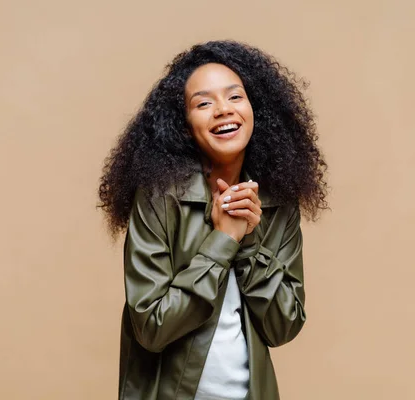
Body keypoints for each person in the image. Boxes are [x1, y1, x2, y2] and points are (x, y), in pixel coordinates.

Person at [98, 40, 328, 400]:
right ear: (183, 124)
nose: (223, 110)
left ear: (257, 110)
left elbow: (284, 325)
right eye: (203, 103)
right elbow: (151, 327)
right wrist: (222, 242)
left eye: (235, 97)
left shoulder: (277, 202)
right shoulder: (159, 198)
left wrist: (248, 238)